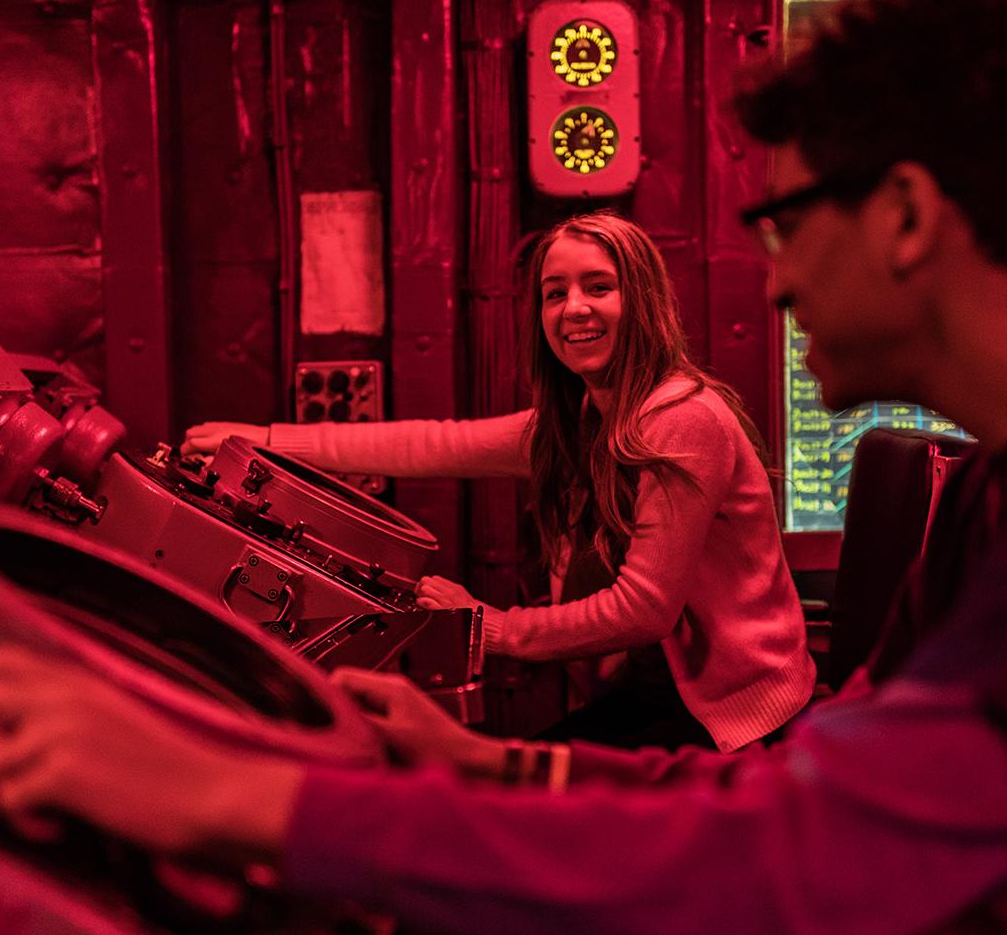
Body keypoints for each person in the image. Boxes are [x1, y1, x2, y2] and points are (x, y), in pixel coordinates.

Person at [0, 0, 1007, 935]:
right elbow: (822, 761)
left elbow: (802, 870)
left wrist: (239, 794)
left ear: (906, 217)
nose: (774, 277)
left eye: (786, 219)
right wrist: (481, 763)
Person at [181, 211, 816, 753]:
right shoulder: (585, 418)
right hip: (670, 689)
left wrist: (490, 626)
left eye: (599, 286)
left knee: (506, 798)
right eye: (554, 292)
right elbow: (430, 443)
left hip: (736, 714)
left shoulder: (681, 418)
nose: (574, 309)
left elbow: (642, 612)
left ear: (643, 300)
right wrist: (264, 440)